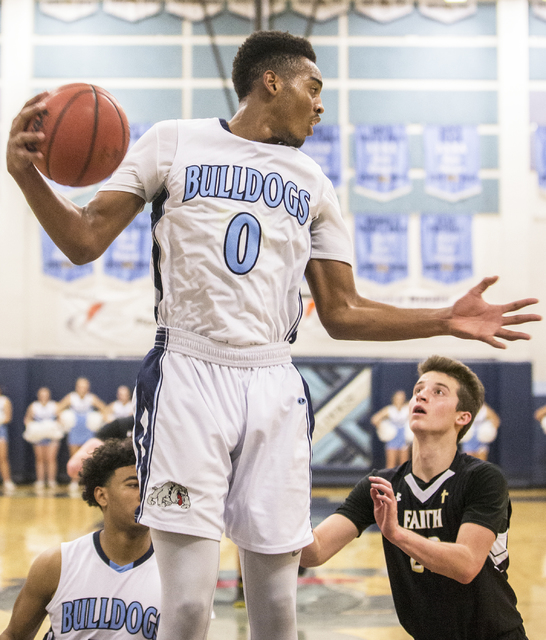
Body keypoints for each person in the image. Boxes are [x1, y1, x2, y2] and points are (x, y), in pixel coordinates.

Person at [6, 29, 540, 640]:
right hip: (186, 371)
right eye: (313, 88)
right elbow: (83, 240)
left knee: (278, 607)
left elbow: (341, 312)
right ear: (272, 81)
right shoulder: (172, 141)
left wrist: (445, 319)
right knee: (184, 607)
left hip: (272, 379)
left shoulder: (312, 180)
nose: (319, 105)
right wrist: (27, 176)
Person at [301, 355, 527, 640]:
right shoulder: (380, 485)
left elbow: (466, 565)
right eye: (418, 389)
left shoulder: (483, 479)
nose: (422, 395)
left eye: (438, 391)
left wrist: (397, 534)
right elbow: (314, 551)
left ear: (462, 417)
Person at [0, 438, 161, 640]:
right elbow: (13, 636)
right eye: (133, 485)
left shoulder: (174, 574)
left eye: (150, 486)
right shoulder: (56, 565)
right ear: (102, 496)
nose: (145, 495)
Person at [57, 377, 107, 493]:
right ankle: (74, 481)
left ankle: (86, 482)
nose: (82, 389)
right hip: (75, 430)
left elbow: (104, 409)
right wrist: (62, 418)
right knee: (74, 456)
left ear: (88, 388)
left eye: (85, 386)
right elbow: (58, 408)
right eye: (80, 386)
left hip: (87, 431)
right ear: (76, 387)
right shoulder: (71, 397)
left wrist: (100, 419)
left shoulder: (91, 398)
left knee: (87, 458)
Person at [23, 387, 63, 494]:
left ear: (49, 396)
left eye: (46, 395)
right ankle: (40, 480)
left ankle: (51, 480)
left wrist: (52, 426)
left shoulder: (54, 405)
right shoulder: (33, 406)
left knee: (51, 458)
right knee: (40, 459)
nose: (44, 397)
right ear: (38, 396)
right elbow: (27, 419)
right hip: (39, 435)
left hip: (51, 435)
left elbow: (60, 419)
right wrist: (33, 427)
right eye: (42, 395)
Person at [370, 389, 410, 467]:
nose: (400, 400)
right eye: (398, 398)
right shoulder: (390, 409)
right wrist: (383, 429)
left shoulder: (407, 408)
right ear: (394, 399)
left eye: (402, 398)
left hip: (403, 437)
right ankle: (390, 478)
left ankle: (402, 479)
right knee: (391, 463)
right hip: (393, 436)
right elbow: (375, 419)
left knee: (404, 464)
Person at [0, 386, 15, 495]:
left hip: (1, 430)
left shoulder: (5, 401)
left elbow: (8, 417)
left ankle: (7, 481)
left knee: (3, 457)